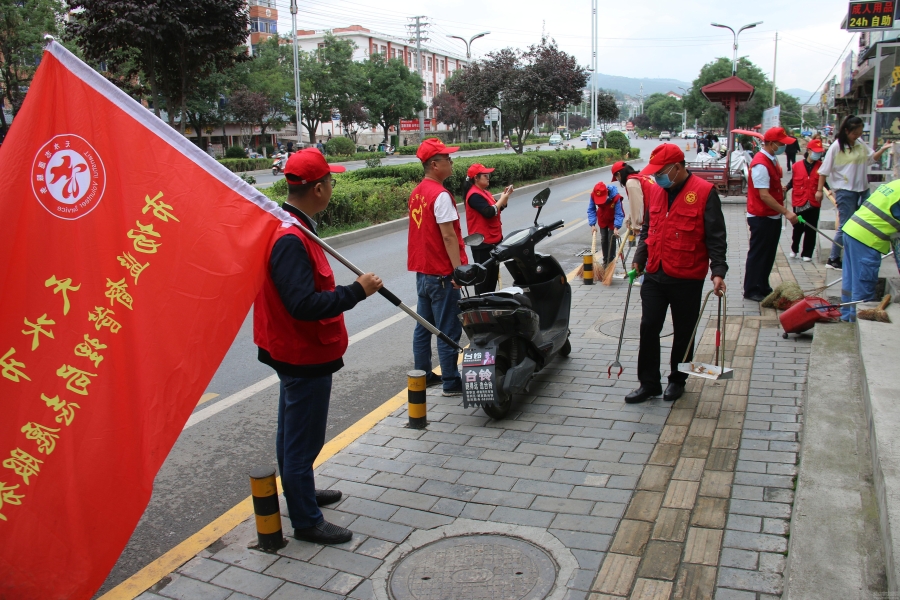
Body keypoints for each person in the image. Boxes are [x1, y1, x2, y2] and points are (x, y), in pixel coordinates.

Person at [254, 149, 383, 544]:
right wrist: (356, 292)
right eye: (330, 181)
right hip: (301, 352)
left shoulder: (292, 225)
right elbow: (302, 304)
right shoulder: (290, 238)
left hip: (295, 348)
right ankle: (306, 520)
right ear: (319, 189)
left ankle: (301, 492)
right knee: (302, 438)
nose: (331, 187)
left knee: (294, 432)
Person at [627, 143, 728, 404]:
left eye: (661, 171)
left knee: (684, 331)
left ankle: (677, 379)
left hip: (687, 275)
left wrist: (718, 270)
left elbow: (716, 237)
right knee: (649, 326)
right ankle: (649, 383)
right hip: (655, 271)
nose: (657, 176)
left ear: (677, 167)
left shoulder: (704, 192)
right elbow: (648, 228)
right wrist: (639, 258)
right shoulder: (656, 190)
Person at [408, 138, 468, 395]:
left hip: (423, 273)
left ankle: (422, 375)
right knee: (448, 330)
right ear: (434, 164)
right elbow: (448, 236)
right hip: (442, 274)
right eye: (447, 159)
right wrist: (458, 271)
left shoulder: (417, 192)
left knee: (424, 328)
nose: (451, 162)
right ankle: (451, 382)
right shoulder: (440, 195)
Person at [818, 115, 893, 270]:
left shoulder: (859, 143)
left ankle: (857, 255)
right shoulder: (837, 147)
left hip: (862, 190)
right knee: (845, 225)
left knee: (864, 224)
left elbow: (871, 159)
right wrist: (819, 190)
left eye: (859, 133)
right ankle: (833, 258)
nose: (857, 136)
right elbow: (824, 170)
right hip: (845, 191)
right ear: (847, 131)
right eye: (855, 133)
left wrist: (883, 149)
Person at [743, 127, 799, 302]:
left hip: (771, 215)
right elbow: (764, 195)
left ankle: (763, 285)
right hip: (762, 216)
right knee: (759, 253)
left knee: (768, 254)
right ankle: (752, 288)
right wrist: (786, 212)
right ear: (771, 143)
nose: (783, 147)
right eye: (781, 144)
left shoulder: (771, 159)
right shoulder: (761, 164)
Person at [839, 178, 900, 321]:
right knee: (863, 287)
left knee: (850, 281)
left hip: (852, 230)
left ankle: (847, 316)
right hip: (867, 239)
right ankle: (856, 323)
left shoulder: (896, 184)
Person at [463, 163, 513, 294]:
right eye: (485, 175)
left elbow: (498, 208)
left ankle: (490, 302)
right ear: (476, 178)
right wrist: (502, 199)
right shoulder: (474, 195)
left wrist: (505, 197)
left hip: (492, 242)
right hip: (482, 244)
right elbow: (489, 212)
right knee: (483, 282)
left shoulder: (485, 192)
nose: (488, 177)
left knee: (492, 280)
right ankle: (481, 303)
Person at [786, 138, 826, 261]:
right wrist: (785, 188)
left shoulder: (821, 167)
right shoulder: (796, 166)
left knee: (811, 228)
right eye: (815, 151)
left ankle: (807, 253)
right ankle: (794, 248)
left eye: (819, 152)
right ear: (809, 150)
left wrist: (829, 192)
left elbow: (824, 183)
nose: (818, 154)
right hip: (799, 200)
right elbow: (793, 181)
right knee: (798, 227)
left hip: (814, 201)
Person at [587, 181, 625, 267]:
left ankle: (611, 261)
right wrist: (592, 225)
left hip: (613, 219)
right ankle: (605, 260)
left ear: (607, 193)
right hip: (602, 218)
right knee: (604, 239)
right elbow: (591, 209)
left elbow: (619, 213)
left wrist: (616, 227)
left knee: (611, 238)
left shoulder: (616, 197)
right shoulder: (593, 195)